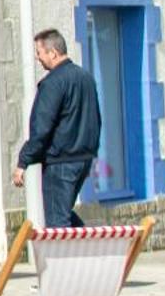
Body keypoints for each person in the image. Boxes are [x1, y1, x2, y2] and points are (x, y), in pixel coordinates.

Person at [15, 29, 101, 228]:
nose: (37, 58)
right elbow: (96, 119)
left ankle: (74, 257)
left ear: (53, 52)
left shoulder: (53, 83)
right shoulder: (86, 78)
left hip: (60, 161)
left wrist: (23, 161)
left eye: (39, 52)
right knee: (62, 213)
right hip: (83, 159)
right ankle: (88, 247)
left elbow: (42, 127)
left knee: (57, 222)